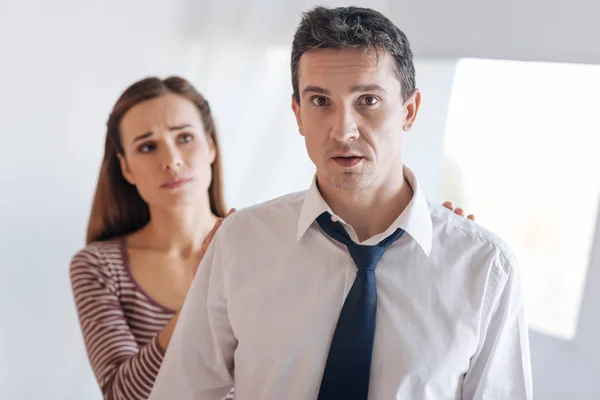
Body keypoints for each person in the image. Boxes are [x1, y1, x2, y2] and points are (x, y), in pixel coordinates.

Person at [148, 5, 532, 400]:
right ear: (298, 114)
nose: (343, 130)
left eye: (368, 100)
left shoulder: (485, 269)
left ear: (410, 110)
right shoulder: (239, 243)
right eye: (320, 102)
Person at [69, 76, 236, 400]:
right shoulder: (98, 267)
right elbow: (122, 394)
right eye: (147, 146)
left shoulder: (259, 244)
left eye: (184, 137)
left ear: (211, 145)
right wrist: (202, 293)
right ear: (126, 168)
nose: (171, 160)